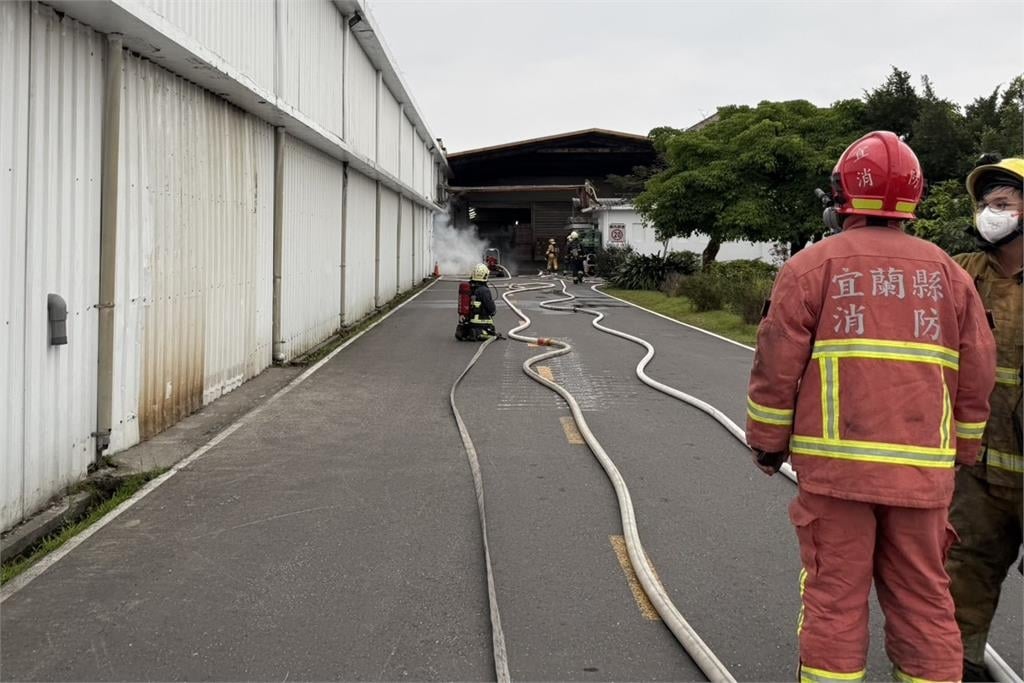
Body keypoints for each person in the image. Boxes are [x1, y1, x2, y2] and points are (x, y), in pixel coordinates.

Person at [745, 131, 997, 682]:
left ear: (841, 195)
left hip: (837, 476)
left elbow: (775, 365)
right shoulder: (949, 275)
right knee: (925, 600)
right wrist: (966, 450)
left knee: (835, 597)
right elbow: (978, 370)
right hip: (923, 477)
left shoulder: (811, 268)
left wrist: (767, 445)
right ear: (913, 197)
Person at [946, 156, 1023, 682]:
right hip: (976, 474)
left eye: (1003, 204)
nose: (989, 214)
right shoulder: (960, 273)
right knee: (961, 582)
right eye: (986, 204)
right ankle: (959, 669)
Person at [455, 263, 496, 341]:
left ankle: (467, 332)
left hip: (468, 322)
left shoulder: (468, 287)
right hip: (480, 322)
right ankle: (480, 332)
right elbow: (491, 309)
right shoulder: (484, 290)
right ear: (485, 275)